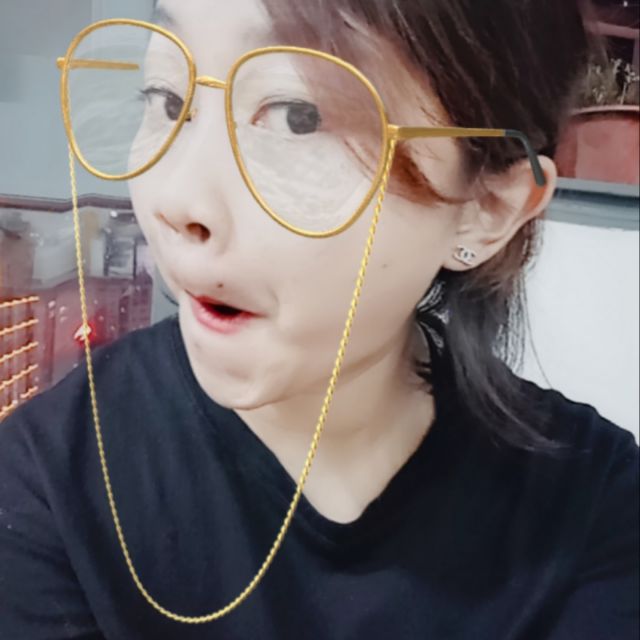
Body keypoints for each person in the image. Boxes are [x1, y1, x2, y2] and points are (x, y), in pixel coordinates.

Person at [1, 0, 638, 638]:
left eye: (297, 116)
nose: (176, 200)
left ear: (487, 207)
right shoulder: (47, 482)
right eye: (168, 99)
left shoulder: (597, 509)